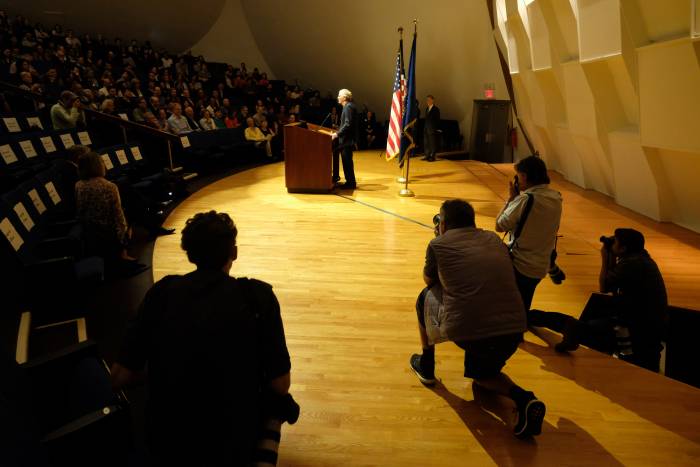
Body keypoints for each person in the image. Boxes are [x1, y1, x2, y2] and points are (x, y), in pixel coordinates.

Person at [110, 211, 298, 465]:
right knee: (282, 402)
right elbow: (280, 384)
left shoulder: (162, 293)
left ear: (189, 253)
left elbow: (120, 375)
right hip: (232, 441)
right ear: (234, 252)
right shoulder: (257, 297)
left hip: (167, 440)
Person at [410, 199, 546, 438]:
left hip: (471, 333)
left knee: (424, 298)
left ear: (444, 223)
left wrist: (439, 246)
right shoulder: (494, 240)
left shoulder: (438, 244)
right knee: (482, 377)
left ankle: (427, 365)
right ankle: (524, 399)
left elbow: (430, 282)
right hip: (513, 331)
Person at [529, 228, 667, 372]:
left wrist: (605, 258)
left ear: (624, 248)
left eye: (615, 241)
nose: (611, 243)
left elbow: (604, 286)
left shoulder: (631, 264)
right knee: (593, 313)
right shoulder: (641, 260)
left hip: (636, 327)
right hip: (642, 321)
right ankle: (573, 329)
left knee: (582, 328)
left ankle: (540, 319)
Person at [495, 155, 562, 314]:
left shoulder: (524, 200)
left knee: (512, 311)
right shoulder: (556, 197)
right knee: (522, 306)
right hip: (540, 265)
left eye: (517, 175)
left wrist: (511, 199)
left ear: (524, 176)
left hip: (520, 265)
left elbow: (499, 225)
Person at [75, 151, 137, 264]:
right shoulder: (110, 186)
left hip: (90, 231)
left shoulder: (79, 185)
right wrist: (123, 237)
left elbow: (80, 210)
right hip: (108, 231)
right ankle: (123, 254)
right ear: (99, 165)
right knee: (130, 217)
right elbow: (118, 215)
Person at [332, 88, 358, 189]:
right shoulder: (349, 106)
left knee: (347, 162)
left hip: (347, 141)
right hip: (347, 140)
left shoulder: (348, 107)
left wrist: (337, 134)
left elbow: (347, 124)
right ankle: (350, 182)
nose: (338, 97)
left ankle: (351, 183)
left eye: (339, 95)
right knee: (347, 162)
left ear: (344, 97)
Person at [422, 95, 440, 162]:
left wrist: (436, 128)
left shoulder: (436, 109)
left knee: (432, 143)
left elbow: (437, 120)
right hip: (426, 128)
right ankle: (427, 155)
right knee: (426, 143)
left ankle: (432, 156)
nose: (428, 101)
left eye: (429, 100)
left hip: (432, 129)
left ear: (433, 100)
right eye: (427, 100)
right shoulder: (427, 108)